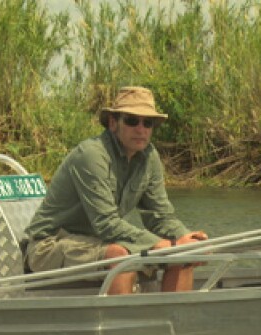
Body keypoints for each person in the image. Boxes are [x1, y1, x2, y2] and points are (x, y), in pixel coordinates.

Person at [24, 86, 208, 294]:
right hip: (49, 244)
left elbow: (161, 216)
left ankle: (173, 322)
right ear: (113, 123)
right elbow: (107, 223)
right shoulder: (91, 155)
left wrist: (186, 241)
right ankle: (123, 325)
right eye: (132, 120)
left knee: (182, 258)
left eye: (148, 123)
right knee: (121, 256)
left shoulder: (150, 157)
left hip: (100, 242)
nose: (141, 129)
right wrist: (163, 245)